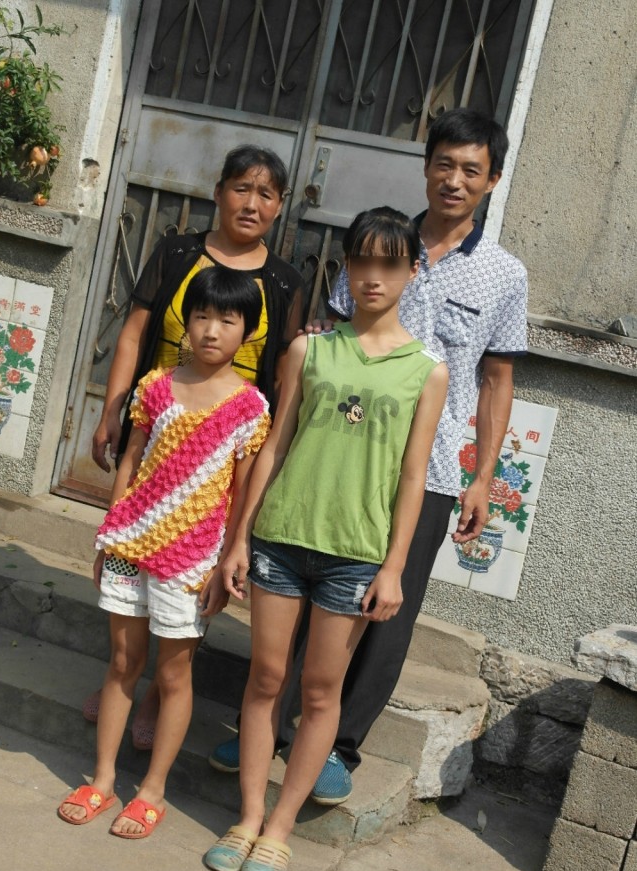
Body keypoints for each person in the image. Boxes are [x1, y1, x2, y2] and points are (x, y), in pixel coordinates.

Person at [208, 108, 528, 804]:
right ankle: (268, 728)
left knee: (382, 612)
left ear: (492, 180)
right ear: (426, 167)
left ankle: (338, 746)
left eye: (470, 169)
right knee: (302, 592)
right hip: (338, 456)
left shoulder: (504, 276)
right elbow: (331, 333)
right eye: (443, 164)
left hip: (427, 470)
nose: (454, 179)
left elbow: (496, 380)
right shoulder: (380, 242)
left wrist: (481, 476)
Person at [203, 208, 448, 871]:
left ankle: (280, 829)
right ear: (345, 266)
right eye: (361, 261)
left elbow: (413, 476)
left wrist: (394, 568)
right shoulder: (309, 350)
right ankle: (248, 817)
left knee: (319, 692)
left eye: (389, 264)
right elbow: (274, 446)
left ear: (411, 271)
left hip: (355, 554)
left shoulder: (427, 371)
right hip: (281, 539)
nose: (373, 277)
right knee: (265, 680)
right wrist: (239, 539)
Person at [83, 144, 304, 746]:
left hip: (227, 445)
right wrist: (112, 409)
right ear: (219, 191)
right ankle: (123, 676)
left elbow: (285, 370)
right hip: (159, 419)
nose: (251, 203)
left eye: (265, 194)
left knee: (195, 563)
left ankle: (159, 693)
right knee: (136, 547)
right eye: (241, 189)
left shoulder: (285, 281)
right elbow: (133, 334)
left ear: (280, 206)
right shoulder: (177, 252)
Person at [58, 267, 271, 837]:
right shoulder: (155, 385)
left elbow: (243, 492)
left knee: (174, 676)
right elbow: (130, 460)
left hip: (193, 562)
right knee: (122, 663)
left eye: (227, 320)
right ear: (186, 322)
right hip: (130, 543)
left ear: (248, 331)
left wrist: (229, 559)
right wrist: (110, 533)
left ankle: (152, 791)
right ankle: (103, 779)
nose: (211, 330)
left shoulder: (250, 408)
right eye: (201, 316)